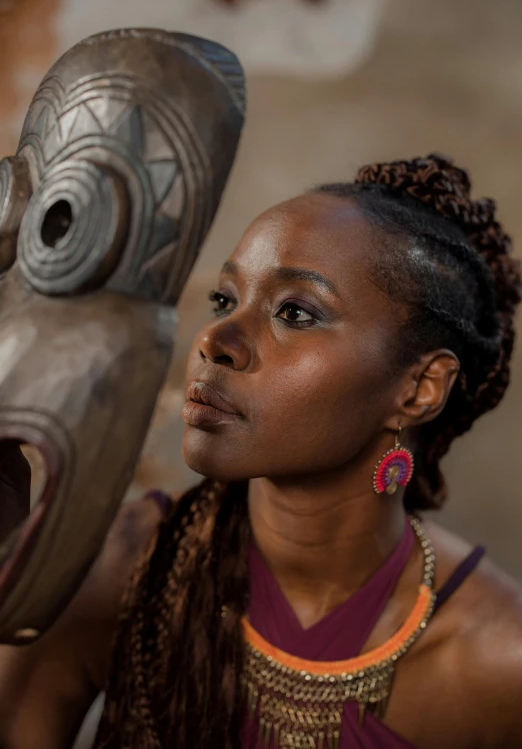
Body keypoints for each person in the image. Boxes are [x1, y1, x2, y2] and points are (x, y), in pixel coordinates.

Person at [0, 153, 521, 749]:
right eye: (225, 300)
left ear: (419, 388)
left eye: (294, 313)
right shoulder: (112, 572)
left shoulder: (499, 661)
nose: (213, 340)